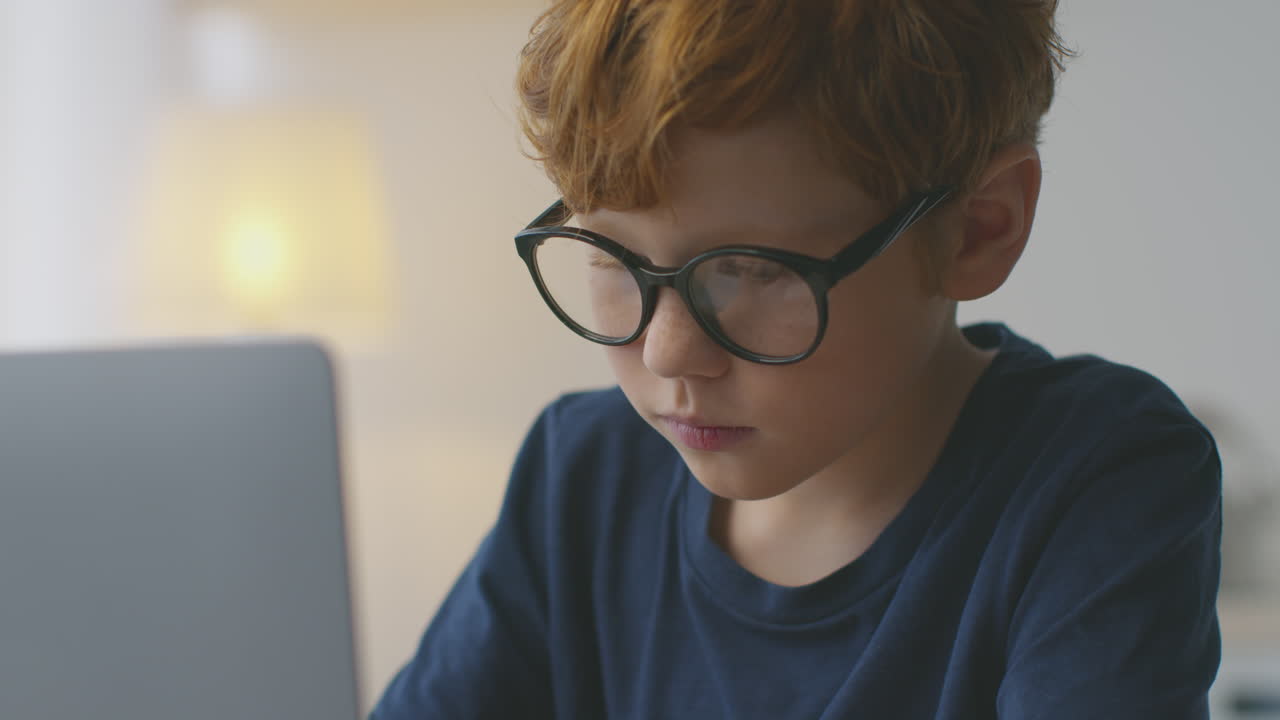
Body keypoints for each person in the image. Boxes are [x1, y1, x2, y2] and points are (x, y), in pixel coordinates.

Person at [373, 1, 1222, 717]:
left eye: (750, 270)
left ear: (978, 228)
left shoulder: (1099, 476)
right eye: (610, 256)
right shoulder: (583, 475)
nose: (669, 353)